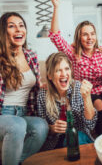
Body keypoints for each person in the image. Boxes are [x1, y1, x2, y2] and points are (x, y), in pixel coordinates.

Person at [49, 0, 102, 134]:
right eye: (85, 34)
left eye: (92, 33)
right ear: (79, 37)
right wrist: (56, 7)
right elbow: (55, 37)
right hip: (87, 93)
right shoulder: (73, 54)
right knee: (98, 104)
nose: (89, 37)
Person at [0, 12, 48, 165]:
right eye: (12, 26)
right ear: (3, 31)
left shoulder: (31, 55)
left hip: (23, 112)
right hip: (3, 114)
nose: (18, 29)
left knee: (41, 126)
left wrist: (45, 87)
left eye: (21, 25)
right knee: (17, 126)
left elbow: (36, 84)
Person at [37, 52, 97, 150]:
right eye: (58, 70)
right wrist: (52, 129)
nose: (64, 74)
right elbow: (42, 128)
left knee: (74, 137)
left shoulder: (78, 88)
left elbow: (90, 125)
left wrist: (87, 98)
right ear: (50, 76)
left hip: (80, 138)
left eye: (67, 69)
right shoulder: (43, 94)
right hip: (54, 143)